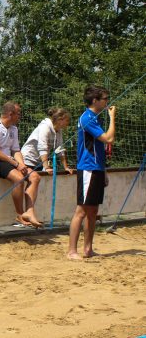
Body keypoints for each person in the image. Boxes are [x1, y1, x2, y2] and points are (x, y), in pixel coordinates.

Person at [67, 85, 116, 260]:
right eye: (105, 99)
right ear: (95, 100)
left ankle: (88, 249)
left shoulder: (94, 118)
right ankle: (72, 251)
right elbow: (109, 138)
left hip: (96, 168)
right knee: (81, 210)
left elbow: (100, 148)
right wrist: (112, 117)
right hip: (87, 168)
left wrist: (104, 171)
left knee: (93, 211)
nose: (107, 102)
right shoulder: (87, 118)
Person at [0, 101, 43, 228]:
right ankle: (19, 214)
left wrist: (22, 164)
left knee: (35, 177)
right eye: (18, 113)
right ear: (10, 114)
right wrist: (16, 164)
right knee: (19, 179)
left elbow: (16, 150)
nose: (20, 116)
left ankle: (29, 212)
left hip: (8, 161)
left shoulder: (14, 129)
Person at [21, 107, 73, 175]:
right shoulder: (45, 127)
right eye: (67, 120)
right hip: (27, 160)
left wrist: (66, 167)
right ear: (60, 120)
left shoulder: (59, 131)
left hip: (39, 162)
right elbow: (42, 148)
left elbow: (60, 150)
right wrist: (46, 167)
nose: (68, 123)